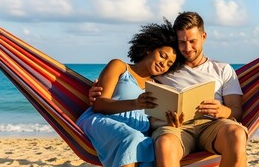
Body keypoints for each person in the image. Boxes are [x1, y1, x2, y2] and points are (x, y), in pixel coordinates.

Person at [89, 12, 248, 167]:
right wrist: (94, 89)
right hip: (175, 128)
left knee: (237, 134)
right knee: (164, 144)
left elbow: (237, 111)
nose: (187, 48)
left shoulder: (223, 69)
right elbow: (135, 82)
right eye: (182, 42)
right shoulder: (165, 71)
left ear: (203, 37)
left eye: (192, 41)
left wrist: (222, 111)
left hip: (212, 126)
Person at [77, 19, 181, 167]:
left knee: (148, 148)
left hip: (139, 132)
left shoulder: (158, 86)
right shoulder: (120, 67)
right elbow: (99, 105)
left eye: (169, 64)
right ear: (149, 49)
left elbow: (151, 120)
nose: (163, 64)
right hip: (106, 123)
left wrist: (169, 121)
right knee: (131, 138)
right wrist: (135, 104)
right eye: (162, 55)